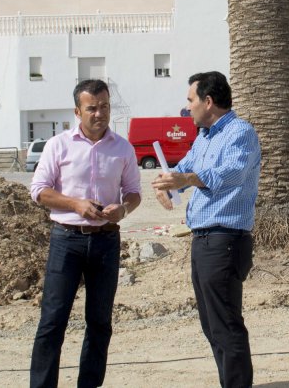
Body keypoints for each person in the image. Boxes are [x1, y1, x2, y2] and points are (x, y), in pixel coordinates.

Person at [29, 79, 141, 388]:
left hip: (106, 241)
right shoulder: (58, 145)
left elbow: (133, 192)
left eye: (104, 106)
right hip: (67, 240)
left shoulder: (123, 148)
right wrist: (74, 204)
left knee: (100, 323)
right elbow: (38, 191)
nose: (99, 114)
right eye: (92, 108)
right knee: (52, 322)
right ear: (78, 111)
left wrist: (123, 209)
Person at [151, 71, 261, 388]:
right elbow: (186, 167)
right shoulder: (205, 136)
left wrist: (186, 180)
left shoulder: (241, 133)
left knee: (226, 322)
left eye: (190, 101)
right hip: (203, 240)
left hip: (225, 240)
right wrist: (167, 182)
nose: (187, 109)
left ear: (208, 102)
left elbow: (231, 173)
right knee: (211, 323)